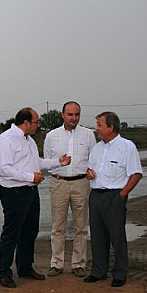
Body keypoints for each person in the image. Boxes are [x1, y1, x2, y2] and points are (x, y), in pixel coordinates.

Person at [0, 107, 71, 288]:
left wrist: (58, 162)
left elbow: (37, 163)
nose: (38, 125)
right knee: (11, 233)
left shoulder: (29, 141)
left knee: (30, 232)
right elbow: (4, 168)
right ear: (26, 122)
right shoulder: (6, 139)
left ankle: (25, 267)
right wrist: (31, 177)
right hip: (14, 192)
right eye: (36, 122)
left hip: (30, 191)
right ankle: (4, 272)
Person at [84, 111, 142, 287]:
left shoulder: (127, 147)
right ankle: (99, 271)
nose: (96, 129)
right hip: (95, 195)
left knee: (117, 236)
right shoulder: (97, 147)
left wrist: (122, 194)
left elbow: (136, 174)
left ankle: (120, 273)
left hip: (114, 196)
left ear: (111, 127)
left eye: (100, 125)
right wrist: (89, 173)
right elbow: (90, 169)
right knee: (97, 235)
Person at [43, 101, 96, 277]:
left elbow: (93, 159)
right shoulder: (52, 136)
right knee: (58, 226)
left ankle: (79, 264)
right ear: (63, 115)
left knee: (81, 226)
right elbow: (47, 161)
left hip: (81, 184)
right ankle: (56, 263)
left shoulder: (88, 135)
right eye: (70, 114)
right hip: (59, 183)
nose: (74, 118)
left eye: (77, 114)